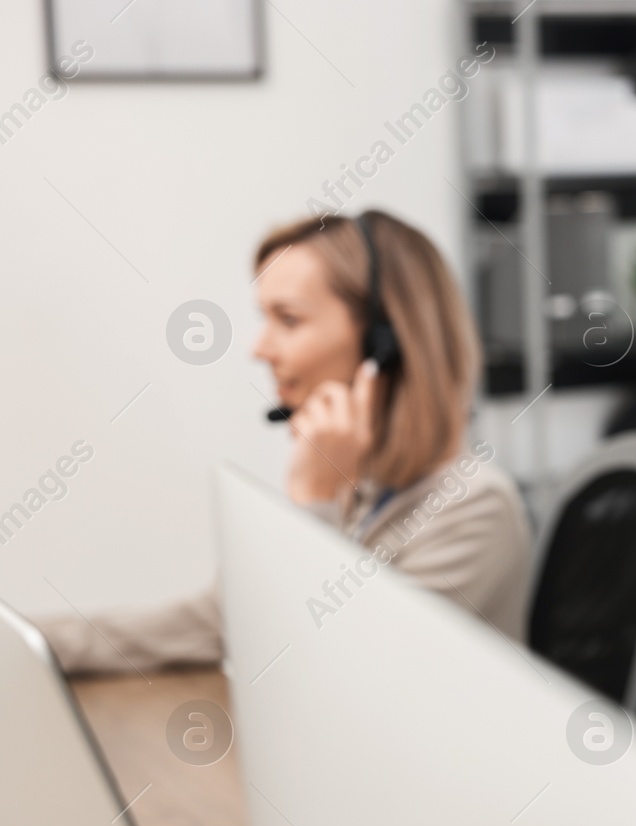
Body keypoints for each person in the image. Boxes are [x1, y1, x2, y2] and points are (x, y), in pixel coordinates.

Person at [36, 210, 533, 672]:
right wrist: (38, 645)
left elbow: (329, 670)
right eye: (264, 318)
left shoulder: (473, 507)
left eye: (289, 320)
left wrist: (313, 505)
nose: (260, 348)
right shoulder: (364, 490)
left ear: (385, 345)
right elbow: (216, 621)